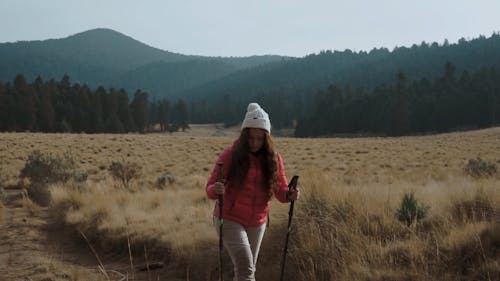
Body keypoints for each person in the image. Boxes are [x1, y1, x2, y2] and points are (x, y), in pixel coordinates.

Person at [206, 102, 299, 281]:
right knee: (246, 270)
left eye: (259, 138)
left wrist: (290, 195)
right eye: (251, 138)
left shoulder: (274, 159)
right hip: (229, 218)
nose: (255, 142)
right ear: (244, 136)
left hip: (257, 222)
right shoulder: (231, 155)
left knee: (246, 270)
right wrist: (216, 189)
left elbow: (281, 191)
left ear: (266, 138)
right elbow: (210, 189)